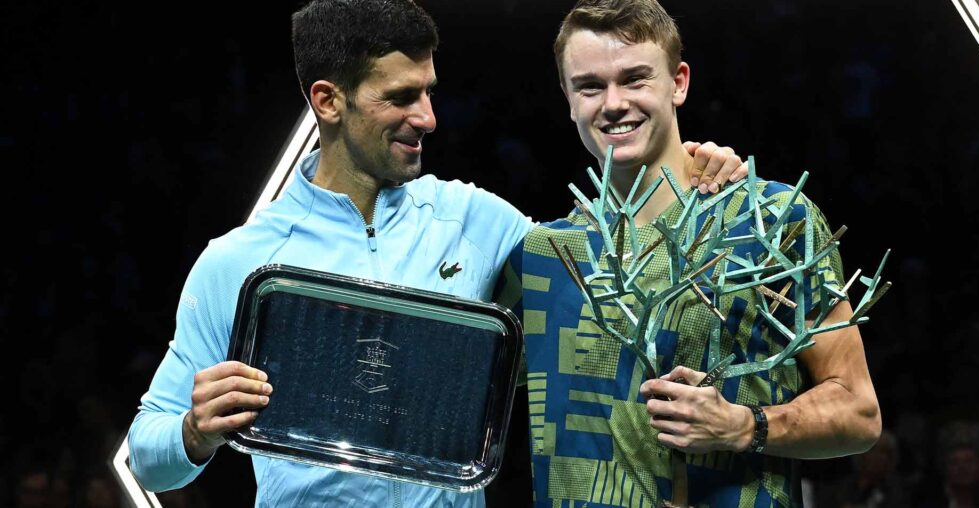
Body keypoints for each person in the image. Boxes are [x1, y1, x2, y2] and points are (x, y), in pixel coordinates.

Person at [127, 0, 747, 506]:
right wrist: (193, 431)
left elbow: (607, 250)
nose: (426, 117)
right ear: (328, 101)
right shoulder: (236, 262)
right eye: (400, 97)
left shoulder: (475, 219)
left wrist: (689, 165)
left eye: (428, 92)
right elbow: (150, 455)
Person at [501, 0, 882, 506]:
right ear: (569, 99)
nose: (613, 103)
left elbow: (859, 412)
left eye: (635, 79)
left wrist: (745, 426)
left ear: (678, 82)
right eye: (590, 86)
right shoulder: (543, 255)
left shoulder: (770, 220)